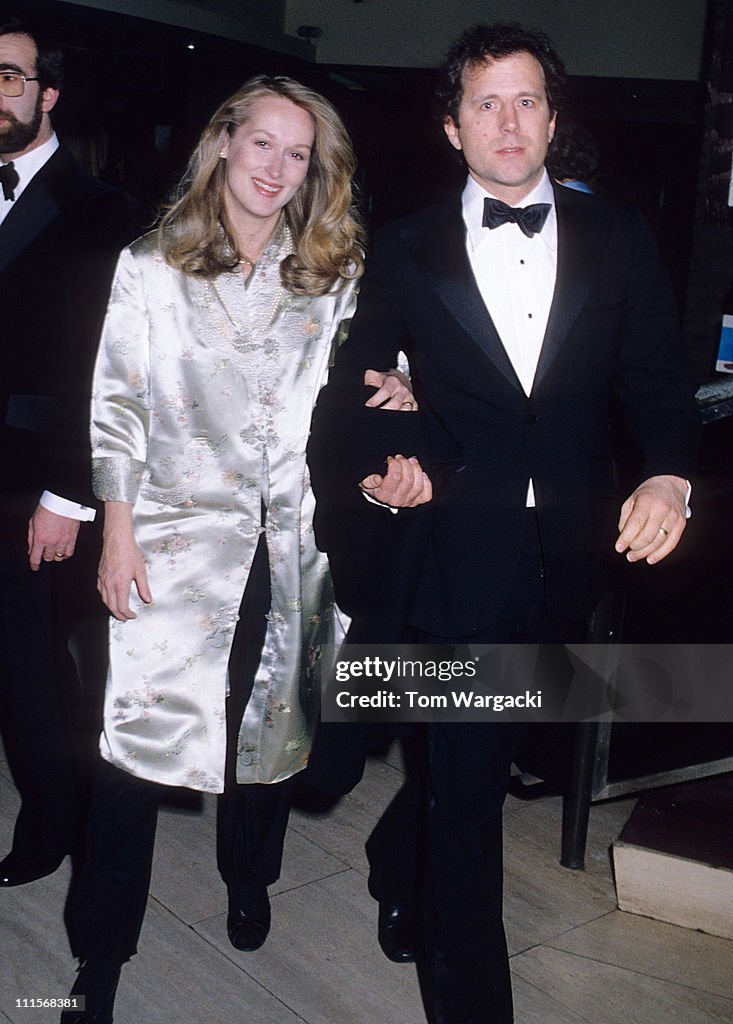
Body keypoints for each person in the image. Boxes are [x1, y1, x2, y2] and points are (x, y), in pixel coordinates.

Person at [307, 22, 699, 1024]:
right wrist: (387, 467)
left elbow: (656, 387)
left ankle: (397, 850)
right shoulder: (403, 248)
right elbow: (357, 387)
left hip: (573, 548)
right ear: (452, 127)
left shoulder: (618, 237)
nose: (508, 119)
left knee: (517, 732)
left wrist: (665, 479)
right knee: (468, 785)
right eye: (485, 101)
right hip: (454, 547)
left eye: (526, 99)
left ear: (553, 119)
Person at [59, 74, 412, 1024]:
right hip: (173, 544)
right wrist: (116, 529)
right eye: (263, 144)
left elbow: (377, 368)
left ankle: (249, 877)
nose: (278, 169)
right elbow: (118, 406)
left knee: (271, 729)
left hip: (295, 541)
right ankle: (99, 957)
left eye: (298, 154)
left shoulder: (333, 269)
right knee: (131, 754)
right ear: (223, 142)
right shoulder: (152, 264)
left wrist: (398, 386)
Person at [0, 18, 130, 888]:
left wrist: (67, 496)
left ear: (48, 94)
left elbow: (102, 370)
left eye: (9, 77)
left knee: (32, 672)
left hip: (31, 481)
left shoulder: (102, 212)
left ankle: (54, 819)